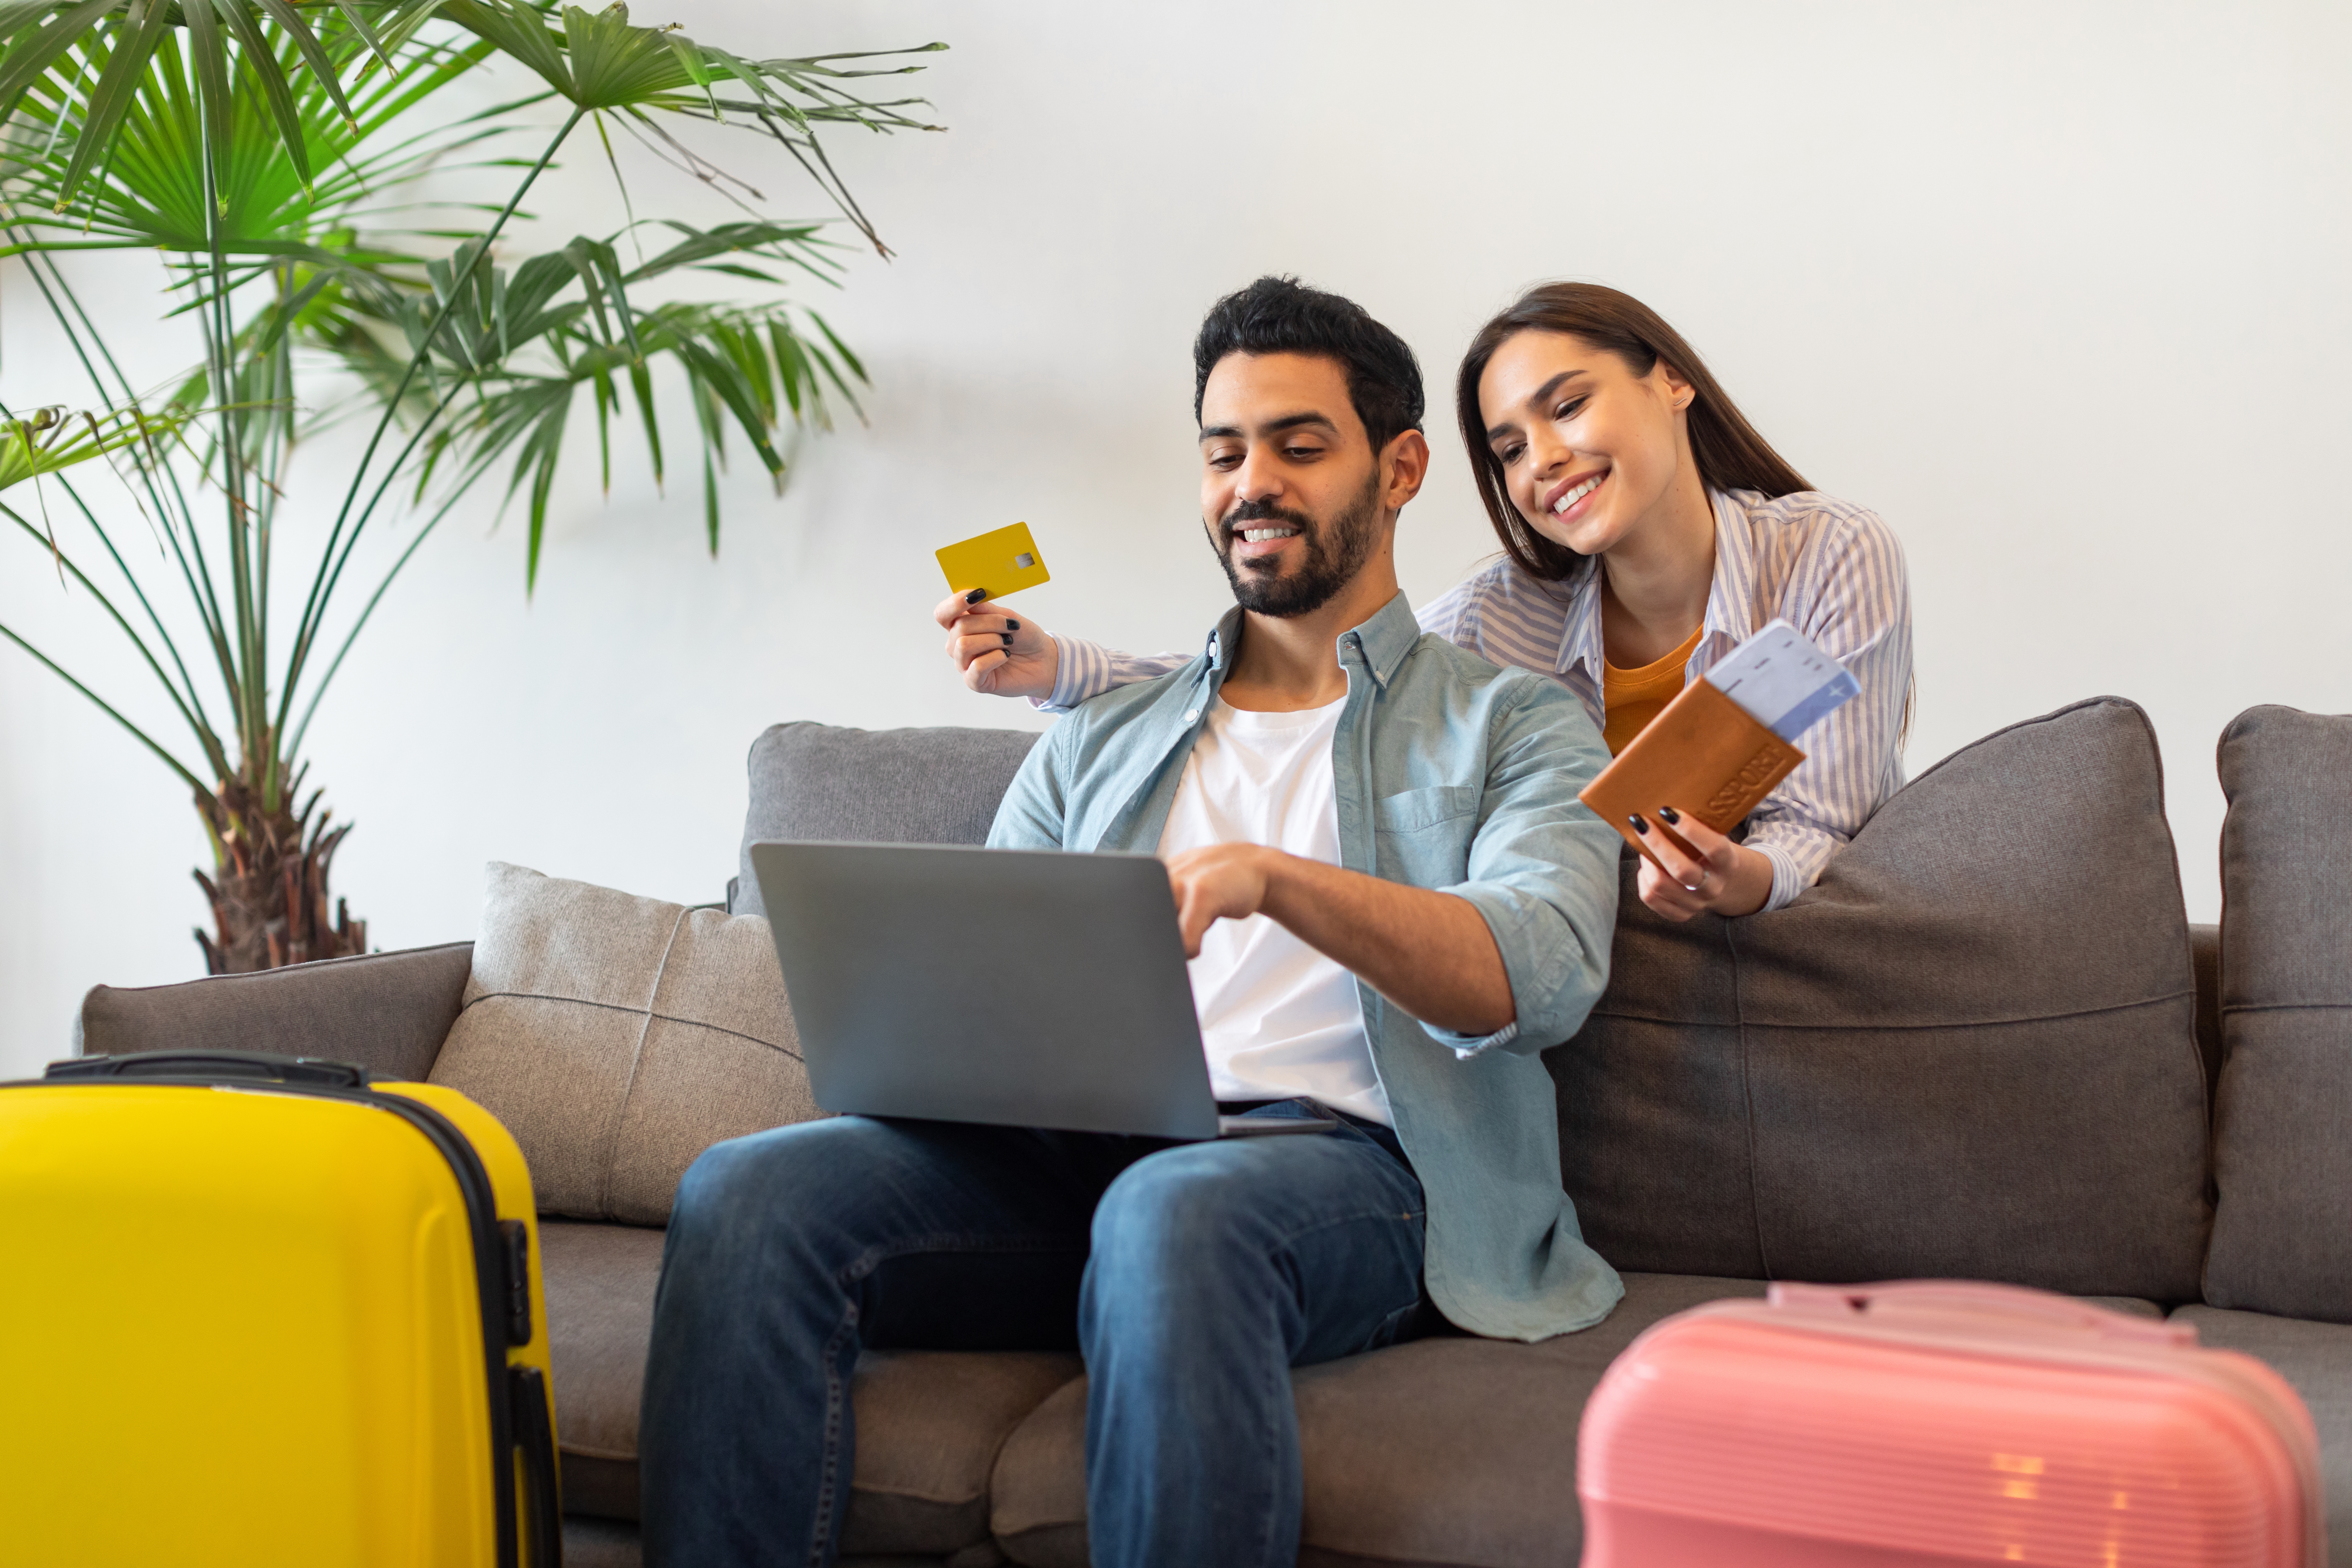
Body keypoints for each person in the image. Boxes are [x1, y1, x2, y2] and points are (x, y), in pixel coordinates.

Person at [639, 277, 1624, 1568]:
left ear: (1401, 469)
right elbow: (991, 977)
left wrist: (1274, 878)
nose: (1251, 483)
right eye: (1224, 453)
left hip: (1345, 1178)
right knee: (746, 1191)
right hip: (1072, 1166)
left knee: (1172, 1212)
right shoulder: (1099, 738)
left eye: (1298, 445)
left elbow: (1537, 976)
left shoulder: (1517, 721)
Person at [942, 282, 1913, 921]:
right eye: (1510, 448)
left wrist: (1739, 879)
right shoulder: (1505, 615)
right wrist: (1065, 668)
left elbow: (1823, 820)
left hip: (1783, 933)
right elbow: (1310, 667)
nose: (1546, 461)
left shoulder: (1831, 551)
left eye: (1568, 406)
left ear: (1671, 382)